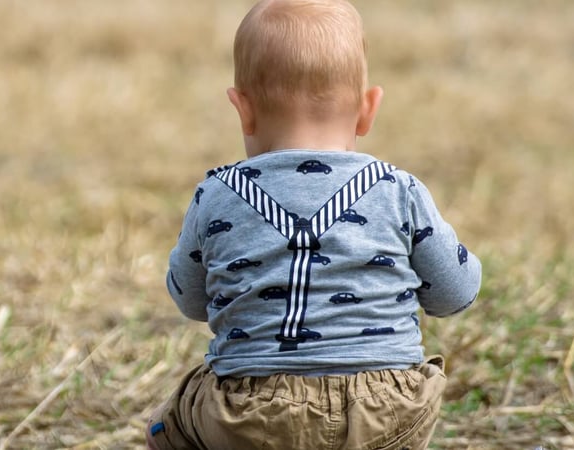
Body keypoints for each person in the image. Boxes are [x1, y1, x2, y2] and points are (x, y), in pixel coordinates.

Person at [146, 0, 482, 448]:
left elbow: (189, 300)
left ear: (242, 108)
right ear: (368, 108)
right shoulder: (399, 190)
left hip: (251, 418)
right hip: (385, 410)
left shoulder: (216, 195)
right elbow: (455, 294)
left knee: (172, 422)